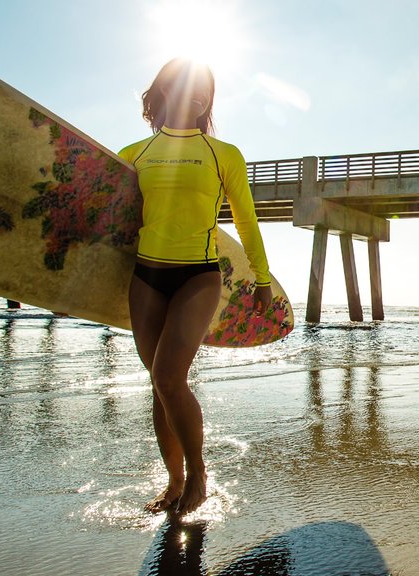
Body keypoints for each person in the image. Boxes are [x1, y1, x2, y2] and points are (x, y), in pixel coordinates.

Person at [119, 58, 272, 515]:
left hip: (200, 276)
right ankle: (174, 481)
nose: (200, 94)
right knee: (159, 384)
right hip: (147, 275)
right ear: (164, 91)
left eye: (207, 88)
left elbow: (245, 219)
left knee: (169, 377)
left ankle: (198, 475)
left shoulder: (223, 154)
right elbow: (105, 228)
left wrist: (261, 278)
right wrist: (63, 291)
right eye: (189, 85)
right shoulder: (133, 155)